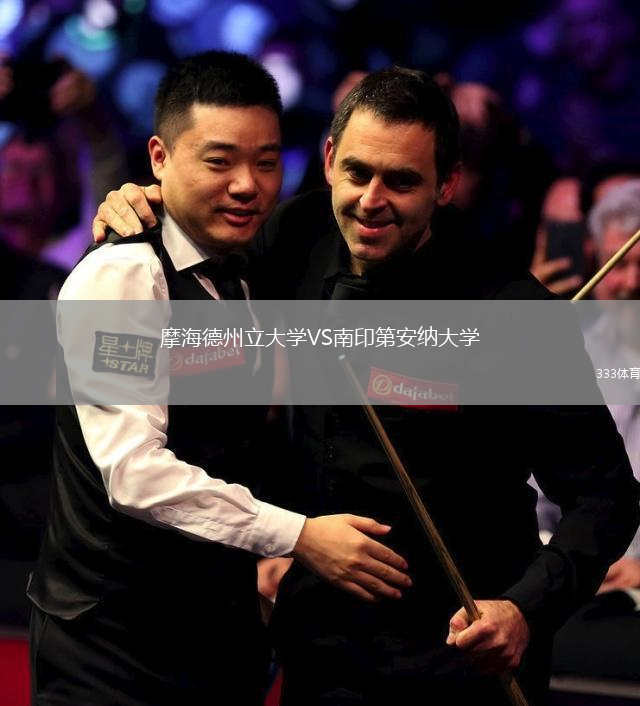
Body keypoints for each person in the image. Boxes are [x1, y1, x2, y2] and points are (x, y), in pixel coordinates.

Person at [93, 66, 640, 706]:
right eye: (357, 173)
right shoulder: (295, 236)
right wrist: (146, 204)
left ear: (447, 184)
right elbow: (197, 269)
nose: (371, 200)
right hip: (318, 646)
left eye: (401, 181)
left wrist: (525, 610)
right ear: (329, 160)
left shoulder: (509, 311)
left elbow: (606, 498)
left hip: (459, 657)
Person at [28, 51, 412, 706]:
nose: (246, 185)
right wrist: (299, 535)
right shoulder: (122, 279)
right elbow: (135, 475)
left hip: (214, 641)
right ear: (159, 157)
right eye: (219, 161)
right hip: (112, 653)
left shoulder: (246, 266)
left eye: (266, 162)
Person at [535, 180, 640, 683]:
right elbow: (537, 506)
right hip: (580, 591)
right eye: (619, 265)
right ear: (597, 262)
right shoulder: (568, 356)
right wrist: (570, 560)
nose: (631, 283)